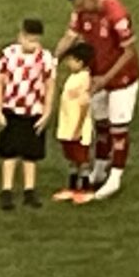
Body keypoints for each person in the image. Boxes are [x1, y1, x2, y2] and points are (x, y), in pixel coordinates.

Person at [54, 0, 139, 200]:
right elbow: (70, 37)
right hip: (96, 75)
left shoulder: (116, 15)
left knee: (118, 127)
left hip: (122, 78)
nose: (79, 11)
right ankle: (101, 167)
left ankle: (116, 176)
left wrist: (106, 78)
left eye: (81, 5)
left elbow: (129, 51)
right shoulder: (81, 12)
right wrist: (52, 60)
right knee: (101, 123)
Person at [0, 17, 54, 209]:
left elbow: (49, 85)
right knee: (9, 153)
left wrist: (47, 111)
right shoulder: (8, 55)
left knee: (30, 154)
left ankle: (29, 190)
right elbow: (0, 82)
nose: (32, 44)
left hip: (33, 110)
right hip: (11, 109)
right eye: (28, 39)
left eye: (35, 40)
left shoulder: (45, 58)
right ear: (20, 37)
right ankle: (7, 190)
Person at [51, 42, 96, 199]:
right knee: (71, 158)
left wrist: (79, 127)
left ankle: (85, 188)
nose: (68, 63)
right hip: (67, 126)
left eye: (71, 60)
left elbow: (84, 105)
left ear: (80, 62)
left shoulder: (84, 79)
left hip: (78, 128)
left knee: (81, 159)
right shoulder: (74, 77)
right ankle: (72, 186)